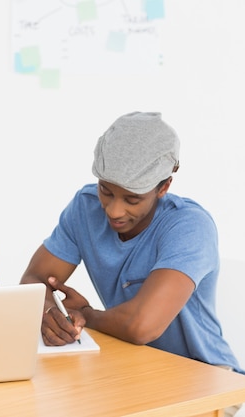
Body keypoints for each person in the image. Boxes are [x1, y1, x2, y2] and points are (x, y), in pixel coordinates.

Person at [20, 112, 243, 383]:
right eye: (106, 190)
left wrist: (86, 315)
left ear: (164, 187)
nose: (114, 210)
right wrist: (49, 313)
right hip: (135, 366)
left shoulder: (189, 226)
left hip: (206, 376)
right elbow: (34, 281)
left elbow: (141, 326)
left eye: (132, 199)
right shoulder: (85, 207)